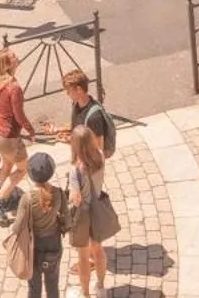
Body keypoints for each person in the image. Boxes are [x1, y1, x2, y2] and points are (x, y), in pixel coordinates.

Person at [7, 152, 67, 298]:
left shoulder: (27, 198)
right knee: (52, 283)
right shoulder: (59, 193)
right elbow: (67, 219)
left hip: (33, 247)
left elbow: (18, 226)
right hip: (53, 243)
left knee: (34, 287)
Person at [0, 49, 34, 218]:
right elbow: (18, 114)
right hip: (8, 136)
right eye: (13, 57)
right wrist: (30, 130)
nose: (16, 56)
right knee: (22, 169)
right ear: (7, 65)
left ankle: (4, 195)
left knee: (7, 163)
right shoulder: (14, 88)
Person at [64, 123, 109, 298]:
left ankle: (86, 294)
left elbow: (75, 199)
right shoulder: (100, 155)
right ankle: (101, 286)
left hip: (83, 216)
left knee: (83, 258)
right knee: (98, 250)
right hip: (98, 210)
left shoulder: (77, 171)